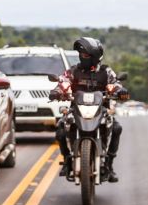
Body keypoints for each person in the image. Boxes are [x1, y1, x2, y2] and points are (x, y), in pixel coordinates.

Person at [49, 37, 129, 182]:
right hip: (76, 110)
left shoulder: (106, 72)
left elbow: (115, 83)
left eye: (85, 55)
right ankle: (67, 161)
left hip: (101, 111)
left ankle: (109, 165)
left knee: (117, 128)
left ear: (95, 56)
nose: (82, 57)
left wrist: (120, 90)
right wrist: (57, 91)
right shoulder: (73, 71)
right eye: (81, 55)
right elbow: (63, 81)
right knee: (61, 129)